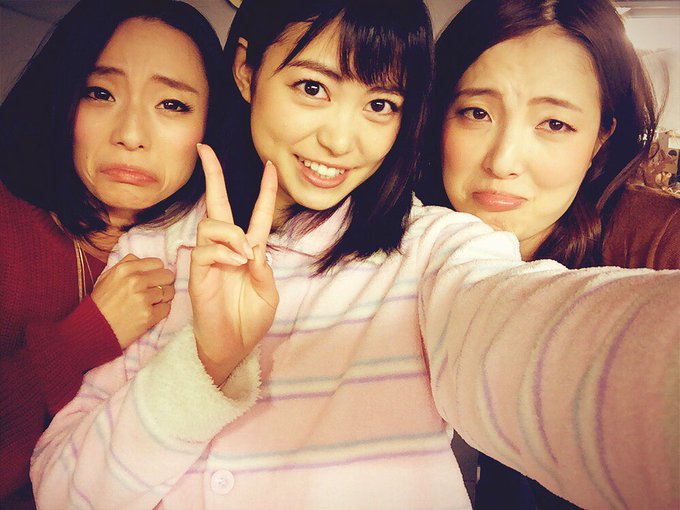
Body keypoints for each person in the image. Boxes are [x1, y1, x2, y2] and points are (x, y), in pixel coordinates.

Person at [31, 1, 679, 509]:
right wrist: (204, 364)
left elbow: (529, 341)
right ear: (247, 70)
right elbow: (62, 492)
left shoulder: (432, 251)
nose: (341, 139)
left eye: (379, 104)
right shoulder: (153, 247)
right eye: (313, 88)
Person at [416, 0, 680, 507]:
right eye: (476, 113)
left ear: (601, 137)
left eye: (554, 124)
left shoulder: (658, 242)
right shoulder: (389, 243)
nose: (503, 161)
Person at [0, 0, 225, 507]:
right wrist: (83, 339)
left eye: (172, 105)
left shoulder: (211, 260)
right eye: (100, 93)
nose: (131, 135)